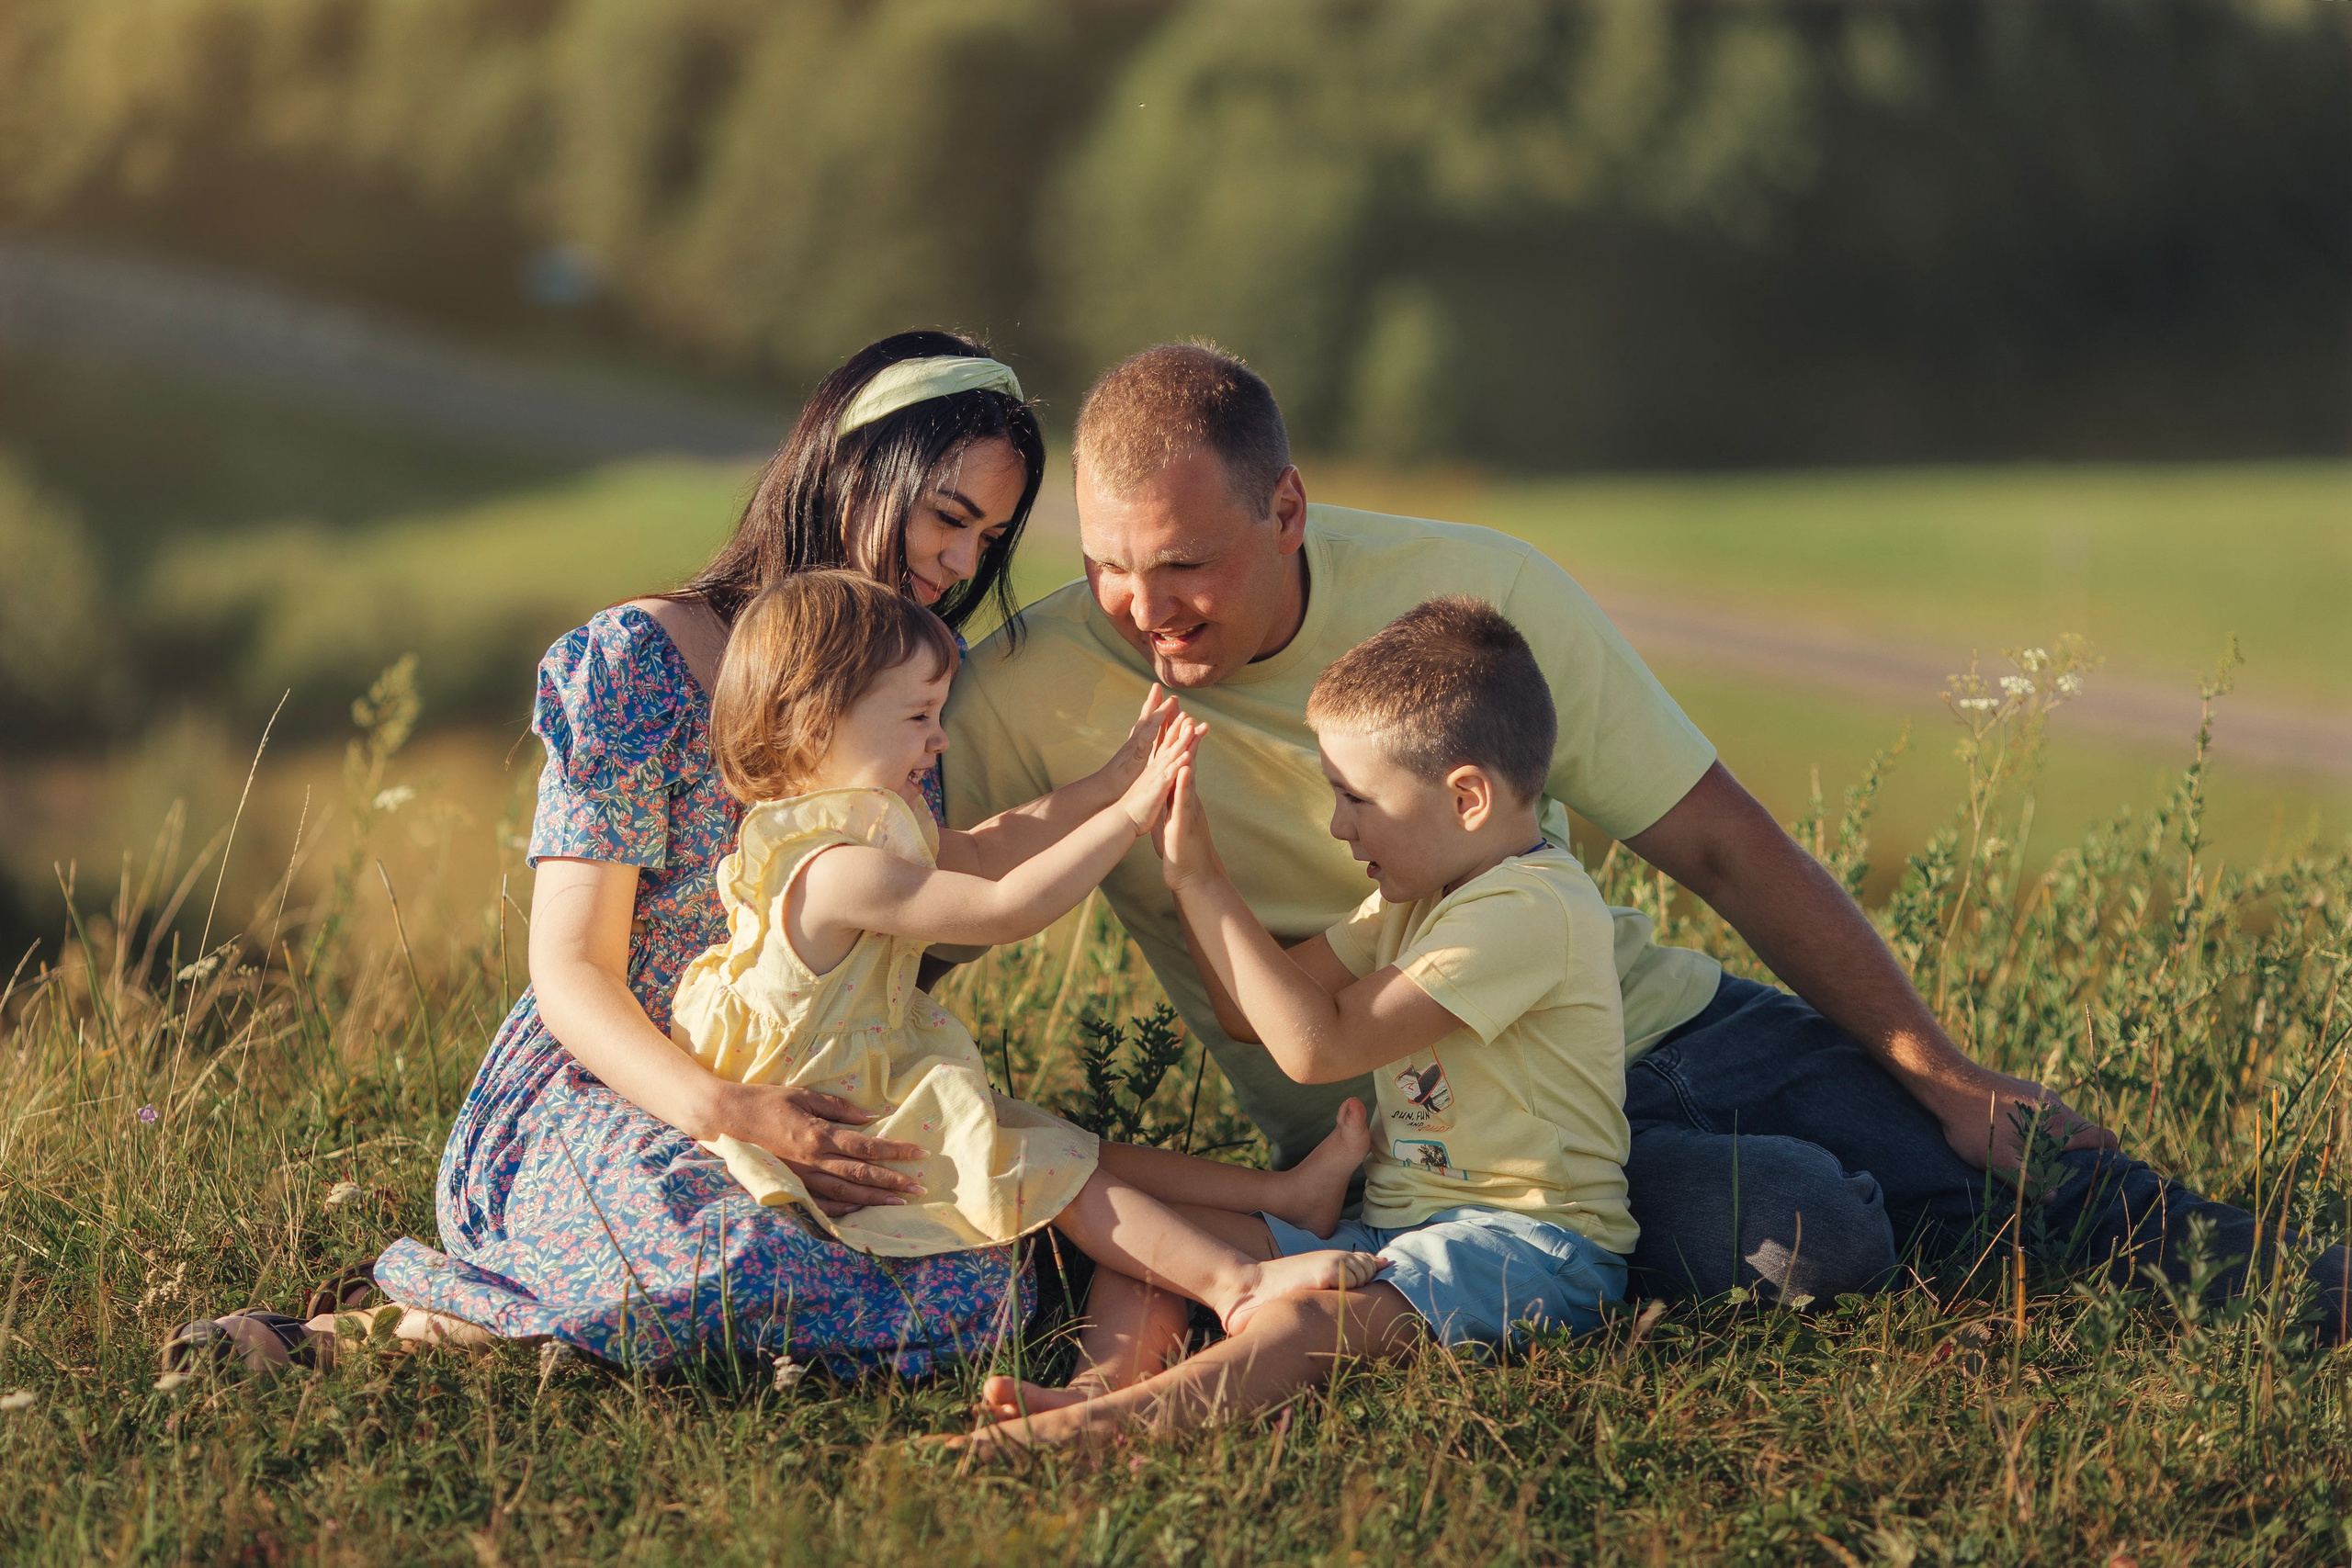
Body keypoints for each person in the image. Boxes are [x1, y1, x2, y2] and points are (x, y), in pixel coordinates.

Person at [940, 342, 2350, 1401]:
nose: (1143, 609)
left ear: (1289, 506)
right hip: (1450, 1151)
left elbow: (1725, 843)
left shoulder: (1471, 594)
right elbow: (901, 913)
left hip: (1658, 1024)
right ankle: (1832, 1210)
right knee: (1802, 1223)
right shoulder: (1033, 689)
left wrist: (1943, 1063)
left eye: (1182, 563)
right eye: (1110, 566)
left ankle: (2294, 1273)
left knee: (2005, 1158)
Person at [164, 331, 1071, 1378]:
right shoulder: (643, 658)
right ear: (850, 470)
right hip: (615, 1086)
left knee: (985, 1285)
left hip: (812, 1080)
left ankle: (543, 1335)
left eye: (988, 539)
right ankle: (369, 1344)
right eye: (947, 518)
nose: (961, 563)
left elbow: (905, 927)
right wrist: (733, 1114)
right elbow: (574, 970)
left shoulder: (915, 685)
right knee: (728, 1255)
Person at [949, 596, 1635, 1450]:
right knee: (1168, 1239)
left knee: (1312, 1319)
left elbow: (1318, 1046)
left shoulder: (1532, 908)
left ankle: (1114, 1430)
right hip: (1396, 1227)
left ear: (1466, 798)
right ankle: (1093, 1394)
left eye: (1356, 798)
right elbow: (1251, 1011)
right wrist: (1191, 872)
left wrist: (1202, 881)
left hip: (1531, 1245)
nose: (1340, 825)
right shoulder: (1415, 898)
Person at [670, 569, 1385, 1335]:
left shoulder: (865, 826)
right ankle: (1234, 1281)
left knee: (1070, 1143)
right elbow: (1004, 908)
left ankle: (1282, 1198)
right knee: (1054, 1170)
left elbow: (988, 849)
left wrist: (1113, 781)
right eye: (918, 716)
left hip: (871, 1076)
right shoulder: (838, 870)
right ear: (817, 724)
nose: (939, 739)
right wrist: (1131, 817)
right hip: (844, 1109)